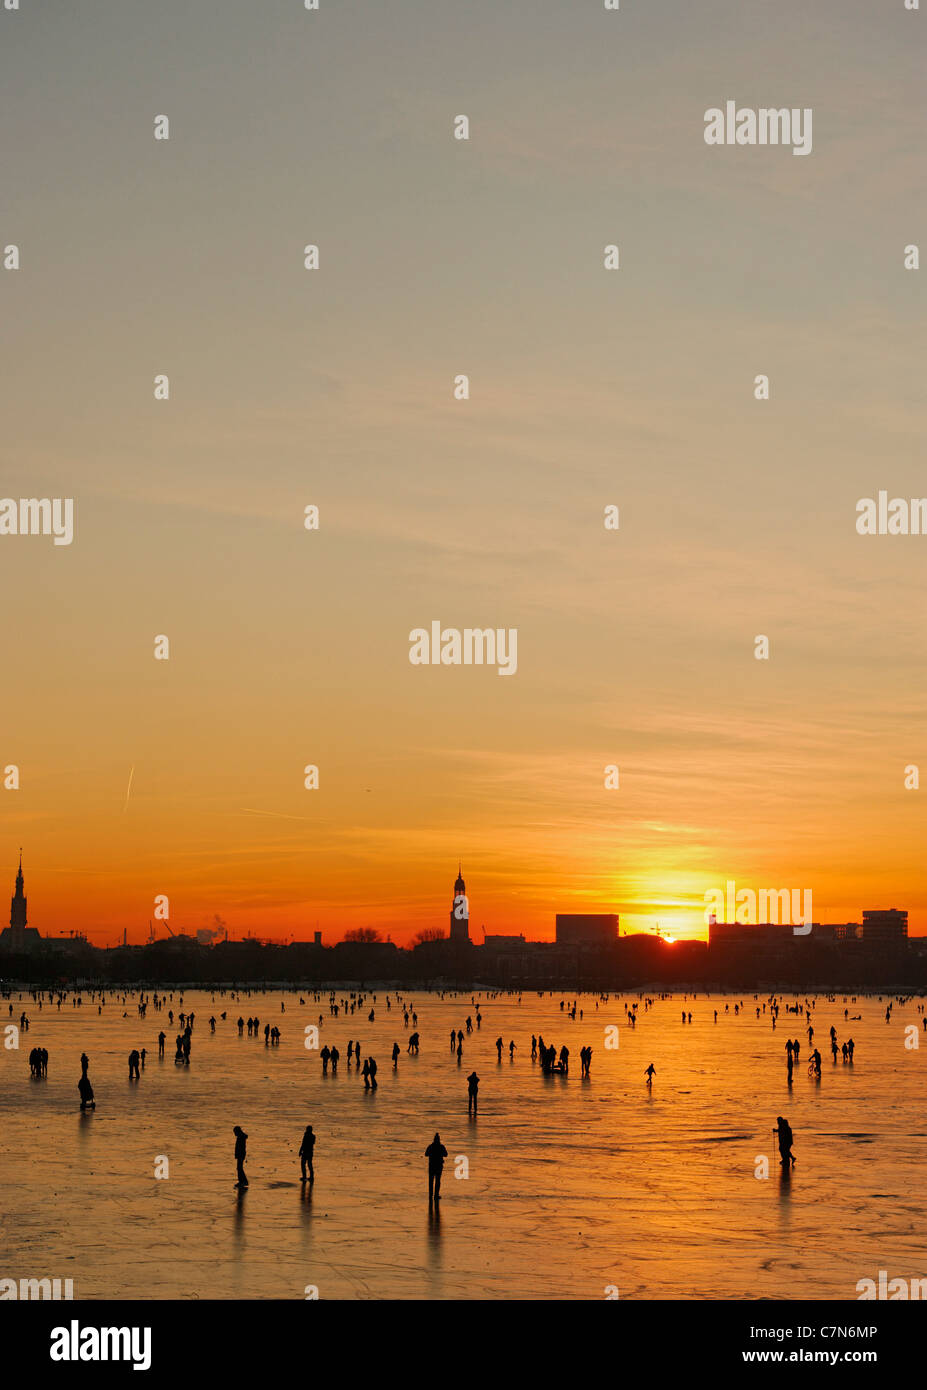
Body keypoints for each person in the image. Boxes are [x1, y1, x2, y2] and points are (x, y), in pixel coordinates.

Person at [425, 1132, 448, 1203]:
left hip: (432, 1166)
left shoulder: (431, 1146)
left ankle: (430, 1195)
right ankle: (436, 1195)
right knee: (437, 1181)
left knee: (431, 1181)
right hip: (438, 1166)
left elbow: (426, 1154)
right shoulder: (441, 1147)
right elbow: (446, 1154)